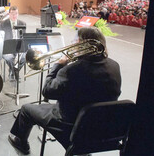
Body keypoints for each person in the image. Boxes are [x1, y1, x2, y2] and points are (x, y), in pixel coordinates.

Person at [8, 27, 122, 155]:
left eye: (74, 40)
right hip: (102, 127)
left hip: (69, 125)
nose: (71, 43)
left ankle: (21, 143)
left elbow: (47, 91)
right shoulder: (114, 66)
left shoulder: (71, 70)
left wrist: (58, 66)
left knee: (25, 109)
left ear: (81, 43)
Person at [0, 6, 26, 81]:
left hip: (19, 48)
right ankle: (15, 72)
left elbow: (24, 38)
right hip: (7, 48)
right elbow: (0, 38)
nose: (14, 16)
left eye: (16, 13)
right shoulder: (3, 24)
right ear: (9, 14)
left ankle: (13, 71)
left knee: (25, 57)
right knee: (9, 58)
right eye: (12, 14)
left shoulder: (23, 24)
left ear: (18, 14)